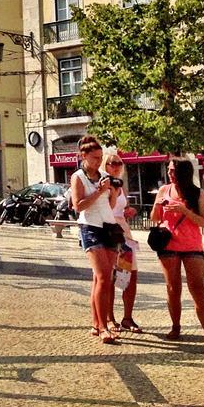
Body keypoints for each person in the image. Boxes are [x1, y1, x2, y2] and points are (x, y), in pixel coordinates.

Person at [151, 159, 204, 351]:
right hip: (168, 245)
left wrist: (184, 210)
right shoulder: (164, 190)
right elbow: (155, 218)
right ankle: (175, 327)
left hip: (192, 245)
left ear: (183, 172)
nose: (170, 173)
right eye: (169, 170)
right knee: (173, 288)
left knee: (197, 288)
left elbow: (203, 222)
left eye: (173, 170)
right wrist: (158, 205)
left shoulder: (197, 193)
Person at [70, 135, 120, 344]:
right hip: (90, 226)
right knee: (102, 275)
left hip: (108, 225)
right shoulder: (78, 177)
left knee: (104, 279)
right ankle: (102, 327)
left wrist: (113, 191)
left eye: (100, 157)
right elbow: (78, 205)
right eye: (94, 158)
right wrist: (99, 191)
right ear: (84, 156)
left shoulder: (103, 175)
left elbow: (110, 204)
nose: (98, 161)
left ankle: (95, 323)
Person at [104, 154, 141, 334]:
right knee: (110, 275)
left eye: (119, 163)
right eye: (113, 163)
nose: (117, 166)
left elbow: (122, 207)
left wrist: (127, 210)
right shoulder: (103, 185)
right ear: (106, 165)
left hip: (124, 230)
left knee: (130, 274)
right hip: (109, 230)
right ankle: (109, 317)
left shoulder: (120, 184)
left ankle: (128, 317)